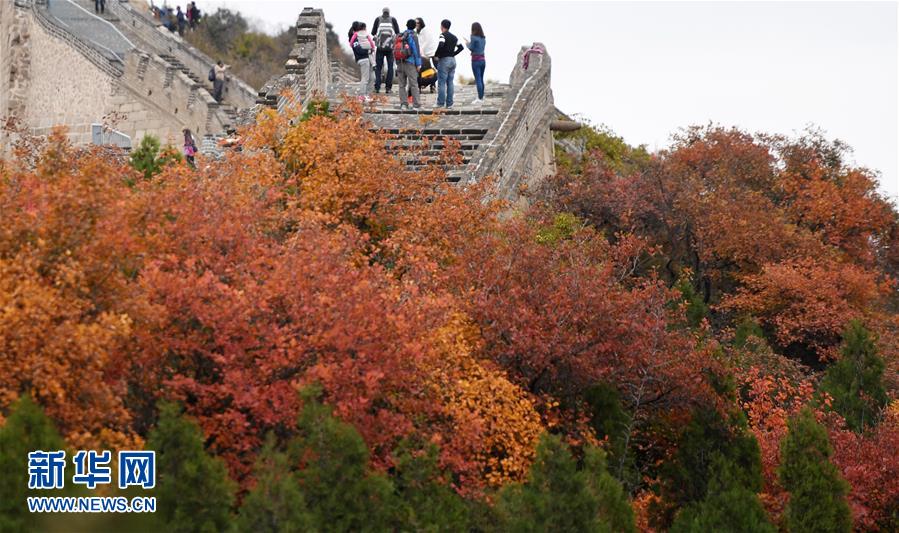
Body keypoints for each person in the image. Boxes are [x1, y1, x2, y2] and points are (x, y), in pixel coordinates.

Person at [434, 19, 464, 109]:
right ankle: (450, 104)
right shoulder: (454, 37)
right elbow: (461, 47)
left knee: (441, 83)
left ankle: (440, 103)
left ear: (442, 26)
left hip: (444, 61)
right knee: (450, 82)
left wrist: (437, 55)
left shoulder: (442, 35)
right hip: (453, 61)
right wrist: (452, 54)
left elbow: (441, 44)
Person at [372, 7, 400, 94]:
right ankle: (388, 88)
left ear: (382, 12)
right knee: (391, 67)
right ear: (389, 12)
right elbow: (398, 32)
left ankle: (377, 87)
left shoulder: (378, 19)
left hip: (380, 47)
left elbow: (373, 32)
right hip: (390, 48)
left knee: (378, 67)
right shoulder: (393, 19)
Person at [395, 19, 422, 110]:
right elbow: (416, 50)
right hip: (410, 63)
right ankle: (416, 105)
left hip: (400, 62)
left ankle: (403, 104)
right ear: (414, 26)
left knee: (401, 85)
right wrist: (418, 64)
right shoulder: (413, 35)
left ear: (406, 25)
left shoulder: (401, 35)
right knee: (413, 84)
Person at [350, 23, 376, 97]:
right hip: (364, 58)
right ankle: (362, 95)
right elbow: (372, 44)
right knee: (365, 78)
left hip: (369, 58)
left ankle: (367, 94)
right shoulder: (357, 36)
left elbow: (351, 43)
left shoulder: (357, 36)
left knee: (372, 77)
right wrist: (371, 49)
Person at [464, 23, 486, 104]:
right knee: (481, 78)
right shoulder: (483, 38)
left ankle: (479, 98)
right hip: (483, 60)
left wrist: (467, 44)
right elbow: (479, 48)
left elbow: (471, 48)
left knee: (478, 79)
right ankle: (482, 96)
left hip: (475, 61)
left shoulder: (473, 37)